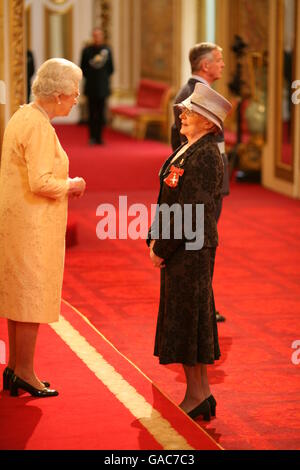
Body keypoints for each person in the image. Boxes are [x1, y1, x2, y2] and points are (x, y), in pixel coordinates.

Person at [0, 58, 86, 398]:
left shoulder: (24, 115)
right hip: (32, 225)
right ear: (60, 93)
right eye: (75, 92)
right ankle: (25, 371)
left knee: (19, 297)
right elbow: (40, 181)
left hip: (21, 221)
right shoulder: (36, 125)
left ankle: (16, 369)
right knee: (30, 297)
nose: (77, 99)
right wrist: (72, 184)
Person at [148, 83, 231, 421]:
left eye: (190, 110)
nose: (181, 112)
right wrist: (155, 238)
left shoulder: (207, 155)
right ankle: (199, 394)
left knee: (190, 320)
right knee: (186, 319)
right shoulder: (189, 147)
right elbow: (167, 200)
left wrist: (162, 248)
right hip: (180, 248)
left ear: (209, 122)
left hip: (191, 250)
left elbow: (189, 213)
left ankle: (198, 395)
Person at [171, 42, 228, 322]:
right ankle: (200, 306)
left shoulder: (200, 92)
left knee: (205, 244)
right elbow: (182, 145)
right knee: (199, 245)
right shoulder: (192, 95)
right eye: (218, 60)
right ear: (204, 65)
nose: (223, 64)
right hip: (201, 186)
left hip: (208, 184)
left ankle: (204, 302)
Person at [80, 27, 114, 145]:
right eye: (95, 35)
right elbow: (82, 67)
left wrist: (102, 78)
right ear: (92, 36)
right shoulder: (87, 51)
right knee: (91, 113)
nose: (97, 38)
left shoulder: (107, 50)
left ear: (102, 37)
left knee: (101, 113)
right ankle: (92, 137)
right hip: (91, 86)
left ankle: (99, 137)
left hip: (103, 87)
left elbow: (111, 69)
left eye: (99, 35)